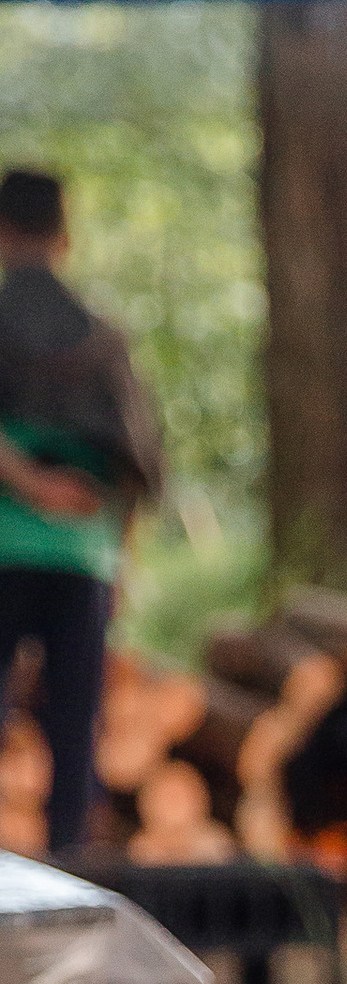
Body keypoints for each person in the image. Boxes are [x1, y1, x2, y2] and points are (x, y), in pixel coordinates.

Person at [0, 167, 163, 863]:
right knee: (75, 728)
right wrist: (117, 554)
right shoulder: (104, 341)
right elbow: (140, 461)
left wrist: (28, 481)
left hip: (9, 553)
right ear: (65, 237)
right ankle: (69, 867)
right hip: (85, 556)